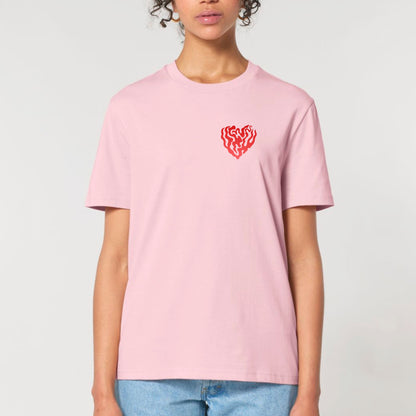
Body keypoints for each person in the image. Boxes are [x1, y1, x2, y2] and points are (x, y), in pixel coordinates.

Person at [84, 1, 335, 415]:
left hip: (263, 376)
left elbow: (304, 259)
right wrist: (101, 392)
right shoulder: (130, 108)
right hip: (150, 376)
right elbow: (115, 259)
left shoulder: (291, 107)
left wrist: (310, 393)